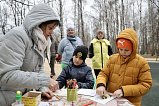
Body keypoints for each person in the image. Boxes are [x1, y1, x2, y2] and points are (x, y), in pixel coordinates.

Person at [0, 4, 60, 106]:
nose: (51, 32)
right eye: (50, 28)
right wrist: (44, 81)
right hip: (5, 98)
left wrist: (42, 88)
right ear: (38, 24)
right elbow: (7, 75)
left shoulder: (39, 41)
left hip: (21, 98)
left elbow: (38, 69)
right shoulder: (17, 36)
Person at [96, 28, 152, 106]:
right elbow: (103, 74)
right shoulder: (112, 59)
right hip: (111, 100)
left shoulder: (142, 63)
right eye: (120, 49)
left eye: (126, 50)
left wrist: (124, 90)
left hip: (131, 102)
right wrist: (101, 84)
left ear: (133, 48)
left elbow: (146, 85)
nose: (123, 52)